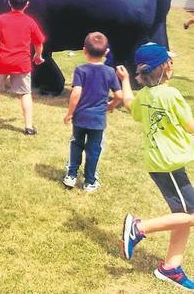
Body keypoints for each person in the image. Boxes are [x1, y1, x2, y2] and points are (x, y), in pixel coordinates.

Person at [118, 43, 194, 290]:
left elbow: (129, 103)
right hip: (168, 165)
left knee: (183, 214)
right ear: (164, 68)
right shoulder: (170, 95)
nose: (172, 64)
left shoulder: (146, 96)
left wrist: (125, 80)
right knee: (191, 214)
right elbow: (190, 125)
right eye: (169, 61)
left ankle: (171, 267)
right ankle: (139, 228)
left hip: (162, 164)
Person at [62, 32, 122, 192]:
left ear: (84, 50)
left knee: (76, 144)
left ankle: (71, 175)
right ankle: (89, 181)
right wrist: (111, 105)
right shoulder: (110, 72)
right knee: (94, 149)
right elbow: (119, 95)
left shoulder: (80, 70)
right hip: (98, 120)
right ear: (106, 52)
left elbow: (76, 93)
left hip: (80, 117)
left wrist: (69, 113)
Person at [0, 0, 45, 134]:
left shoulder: (1, 19)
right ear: (27, 4)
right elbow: (38, 42)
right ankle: (29, 126)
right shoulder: (30, 22)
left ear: (9, 2)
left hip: (2, 61)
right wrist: (38, 55)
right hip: (21, 63)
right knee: (25, 93)